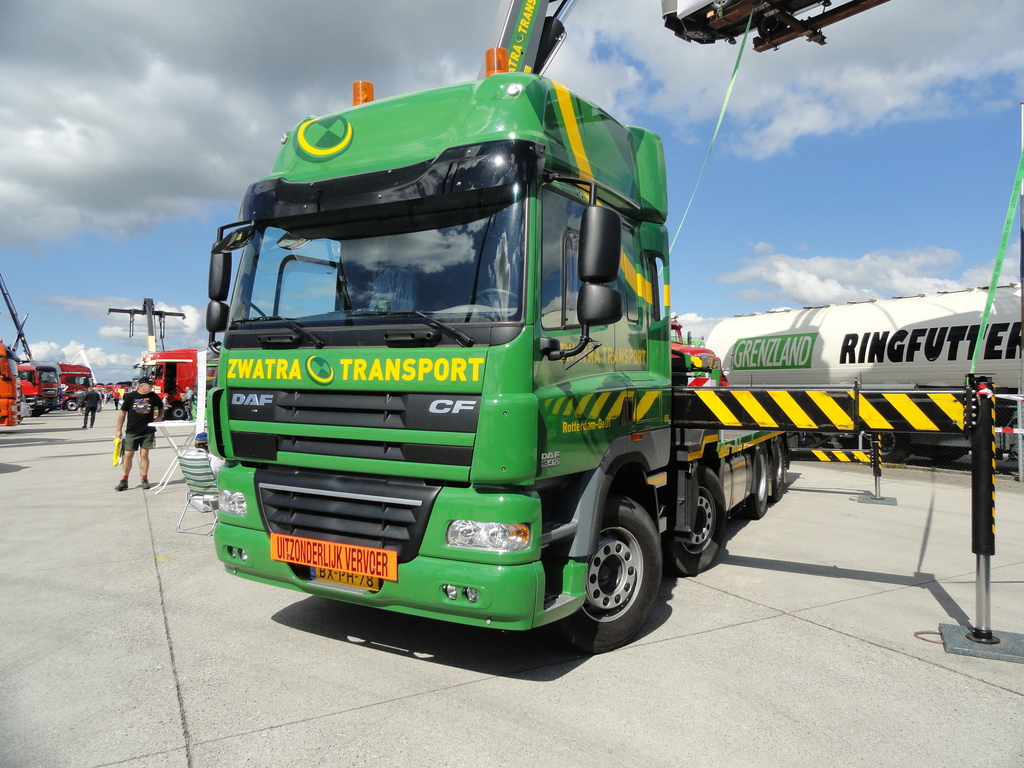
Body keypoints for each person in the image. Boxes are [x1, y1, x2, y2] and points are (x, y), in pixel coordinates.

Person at [114, 377, 164, 491]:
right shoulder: (130, 396)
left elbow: (161, 406)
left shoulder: (153, 397)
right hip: (132, 431)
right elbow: (122, 413)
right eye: (150, 385)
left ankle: (144, 479)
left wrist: (160, 416)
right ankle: (124, 480)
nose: (151, 387)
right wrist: (118, 430)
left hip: (148, 431)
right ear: (142, 385)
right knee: (128, 454)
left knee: (144, 454)